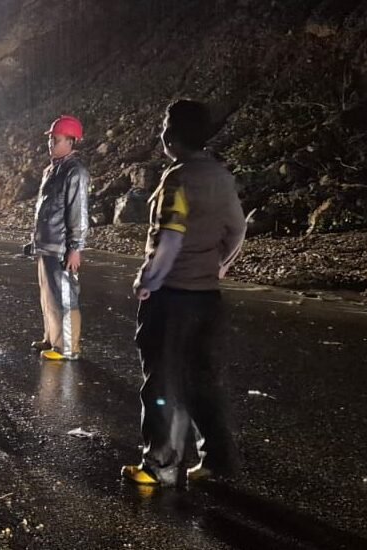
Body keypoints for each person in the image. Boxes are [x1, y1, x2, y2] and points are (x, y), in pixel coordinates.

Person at [122, 99, 247, 488]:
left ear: (172, 136)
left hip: (172, 297)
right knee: (202, 380)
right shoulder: (221, 176)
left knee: (160, 381)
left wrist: (149, 280)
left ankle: (158, 464)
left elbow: (170, 237)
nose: (161, 131)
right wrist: (217, 265)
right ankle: (216, 461)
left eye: (164, 124)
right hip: (207, 297)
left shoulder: (177, 179)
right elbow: (238, 230)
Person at [25, 115, 90, 361]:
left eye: (56, 139)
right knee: (48, 294)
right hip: (47, 244)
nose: (51, 143)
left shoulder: (76, 172)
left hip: (62, 247)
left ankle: (67, 347)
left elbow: (78, 212)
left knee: (64, 296)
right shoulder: (53, 169)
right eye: (51, 139)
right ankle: (52, 338)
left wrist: (76, 247)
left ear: (72, 141)